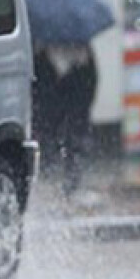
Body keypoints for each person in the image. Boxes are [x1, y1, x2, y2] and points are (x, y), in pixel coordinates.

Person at [31, 41, 97, 197]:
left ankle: (64, 180)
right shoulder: (83, 53)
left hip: (62, 107)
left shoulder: (42, 50)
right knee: (64, 139)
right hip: (61, 108)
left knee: (66, 139)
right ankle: (61, 179)